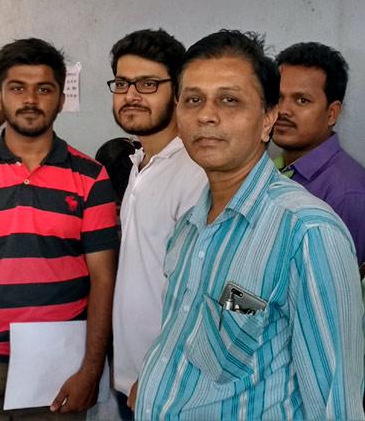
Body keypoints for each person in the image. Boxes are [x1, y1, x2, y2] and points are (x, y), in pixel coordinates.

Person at [133, 30, 363, 419]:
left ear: (267, 119)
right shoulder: (191, 226)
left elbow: (333, 405)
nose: (206, 114)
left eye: (229, 100)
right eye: (193, 100)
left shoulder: (307, 233)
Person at [0, 38, 119, 421]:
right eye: (18, 88)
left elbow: (103, 280)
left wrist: (91, 371)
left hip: (59, 366)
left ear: (61, 99)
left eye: (44, 89)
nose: (30, 100)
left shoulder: (92, 179)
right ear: (1, 95)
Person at [106, 29, 207, 418]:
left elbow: (202, 293)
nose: (131, 95)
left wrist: (159, 374)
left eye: (148, 84)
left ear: (178, 92)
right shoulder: (140, 162)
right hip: (130, 374)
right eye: (122, 83)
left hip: (166, 384)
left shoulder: (195, 173)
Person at [272, 42, 365, 266]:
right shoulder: (275, 167)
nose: (283, 110)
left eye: (302, 100)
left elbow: (339, 289)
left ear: (332, 113)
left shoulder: (348, 194)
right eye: (278, 97)